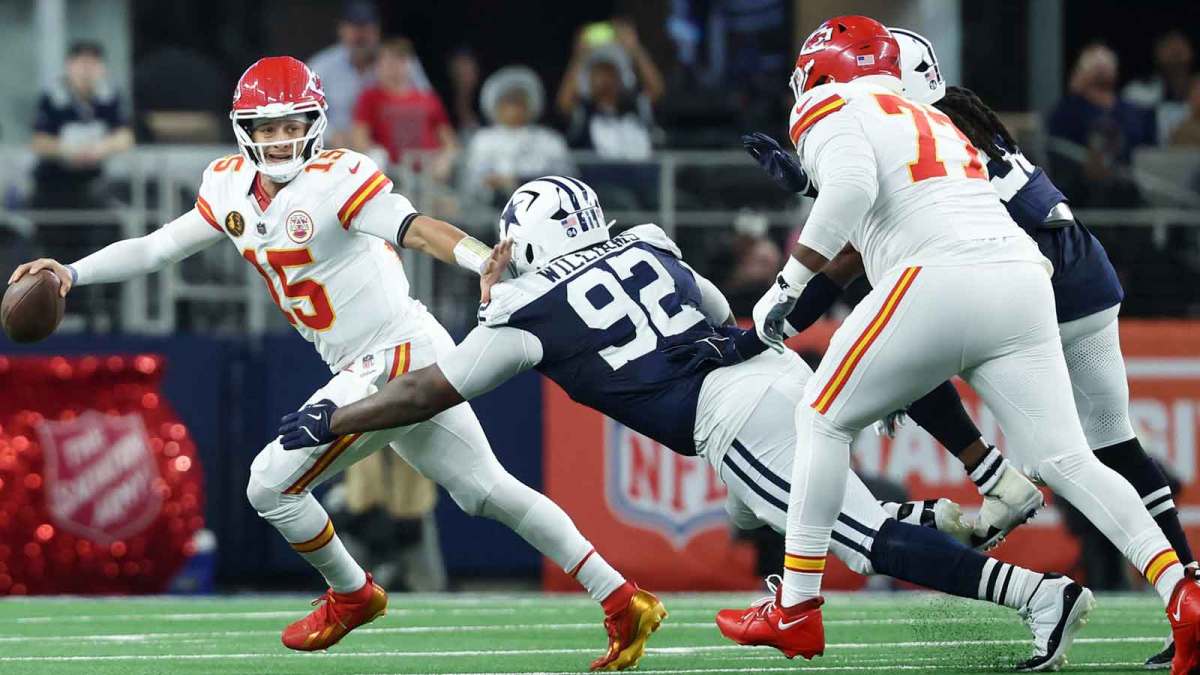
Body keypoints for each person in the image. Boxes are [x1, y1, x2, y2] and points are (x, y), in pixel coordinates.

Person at [280, 176, 1097, 671]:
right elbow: (715, 308)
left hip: (732, 415)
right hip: (768, 371)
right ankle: (940, 514)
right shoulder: (646, 240)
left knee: (849, 537)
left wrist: (335, 418)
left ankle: (1035, 594)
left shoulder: (526, 307)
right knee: (760, 513)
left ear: (521, 241)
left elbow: (430, 392)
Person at [7, 57, 657, 671]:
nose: (283, 139)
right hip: (390, 353)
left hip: (395, 350)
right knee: (484, 489)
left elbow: (415, 225)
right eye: (269, 127)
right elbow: (156, 248)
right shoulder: (228, 186)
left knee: (269, 482)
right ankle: (623, 598)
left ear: (314, 125)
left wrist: (477, 256)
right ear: (246, 131)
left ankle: (352, 592)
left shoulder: (338, 178)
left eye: (294, 125)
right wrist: (70, 271)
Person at [724, 16, 1199, 671]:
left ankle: (796, 606)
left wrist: (788, 278)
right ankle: (1183, 591)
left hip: (941, 278)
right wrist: (815, 188)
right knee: (1070, 457)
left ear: (825, 70)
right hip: (1026, 277)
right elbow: (899, 193)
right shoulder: (944, 120)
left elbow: (857, 191)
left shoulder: (827, 103)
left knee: (820, 417)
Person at [308, 1, 433, 148]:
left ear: (377, 30)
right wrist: (330, 134)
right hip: (336, 148)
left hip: (392, 148)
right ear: (341, 29)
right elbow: (306, 114)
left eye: (366, 28)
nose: (360, 35)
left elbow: (429, 106)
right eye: (354, 28)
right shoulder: (321, 66)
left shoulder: (400, 60)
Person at [1046, 44, 1155, 207]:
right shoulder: (1068, 110)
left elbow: (1147, 147)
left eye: (1106, 62)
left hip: (1128, 192)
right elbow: (1057, 149)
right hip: (1081, 195)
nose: (1101, 67)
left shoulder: (1132, 111)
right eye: (1095, 63)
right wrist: (1075, 91)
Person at [30, 41, 133, 210]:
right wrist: (70, 150)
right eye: (81, 64)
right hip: (54, 181)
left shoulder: (110, 98)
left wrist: (100, 149)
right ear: (69, 66)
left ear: (102, 68)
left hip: (97, 181)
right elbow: (39, 141)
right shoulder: (52, 99)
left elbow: (125, 137)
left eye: (92, 64)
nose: (86, 71)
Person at [462, 66, 574, 206]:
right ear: (495, 104)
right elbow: (472, 182)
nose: (513, 108)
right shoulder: (482, 140)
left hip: (542, 208)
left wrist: (519, 182)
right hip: (491, 210)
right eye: (508, 101)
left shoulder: (550, 140)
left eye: (519, 101)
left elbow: (565, 179)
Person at [351, 39, 457, 180]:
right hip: (390, 173)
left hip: (429, 172)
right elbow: (359, 138)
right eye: (389, 61)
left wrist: (445, 158)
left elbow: (449, 140)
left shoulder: (428, 98)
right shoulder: (369, 97)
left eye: (400, 61)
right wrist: (377, 158)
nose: (394, 67)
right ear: (378, 65)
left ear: (409, 65)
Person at [557, 19, 663, 160]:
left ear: (621, 78)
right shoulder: (583, 113)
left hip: (640, 179)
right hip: (596, 181)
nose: (604, 78)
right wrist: (580, 56)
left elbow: (656, 88)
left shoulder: (636, 107)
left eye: (610, 72)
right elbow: (563, 102)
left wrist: (636, 49)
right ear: (588, 79)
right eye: (598, 72)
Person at [1124, 30, 1195, 145]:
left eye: (1180, 44)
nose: (1175, 51)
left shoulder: (1197, 91)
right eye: (1168, 45)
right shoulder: (1137, 92)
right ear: (1157, 53)